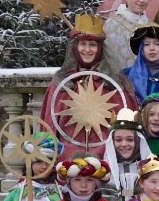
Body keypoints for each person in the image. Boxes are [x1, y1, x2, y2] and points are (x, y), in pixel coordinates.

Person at [41, 14, 137, 161]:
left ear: (99, 48)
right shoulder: (61, 82)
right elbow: (49, 124)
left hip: (107, 158)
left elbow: (129, 121)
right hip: (67, 159)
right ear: (75, 47)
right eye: (82, 44)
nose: (87, 50)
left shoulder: (116, 81)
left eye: (92, 45)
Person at [103, 0, 155, 70]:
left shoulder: (153, 27)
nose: (142, 0)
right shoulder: (113, 24)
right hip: (120, 80)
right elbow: (106, 58)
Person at [101, 107, 152, 201]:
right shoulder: (103, 171)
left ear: (138, 141)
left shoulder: (152, 169)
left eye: (130, 139)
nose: (124, 144)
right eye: (118, 140)